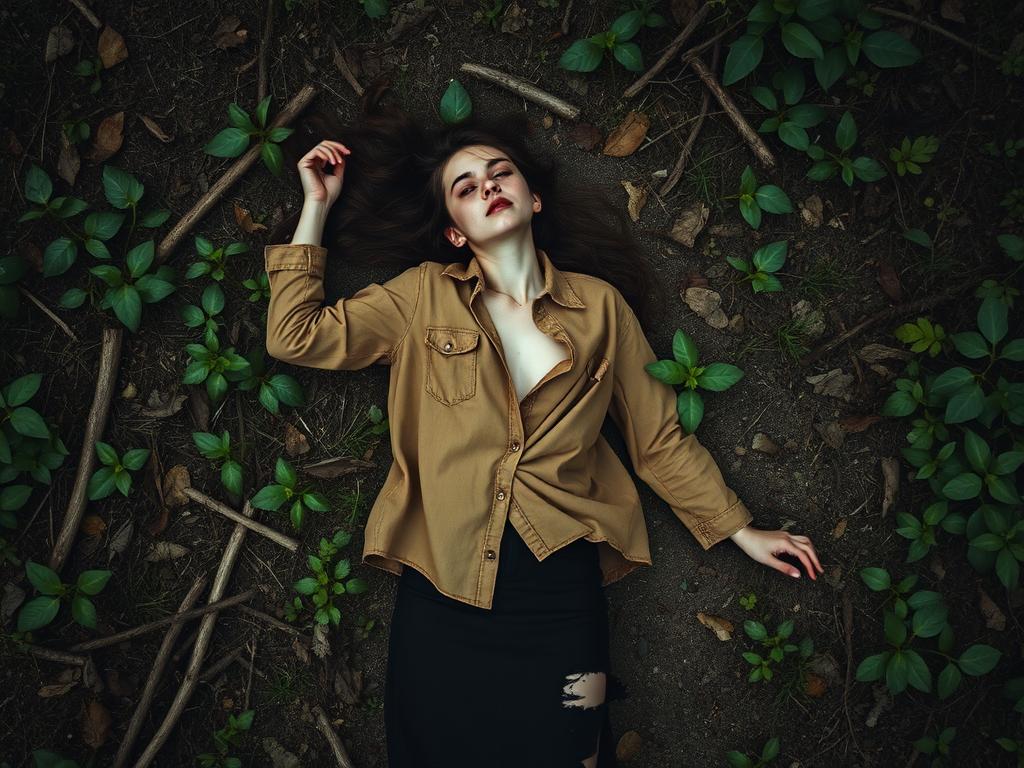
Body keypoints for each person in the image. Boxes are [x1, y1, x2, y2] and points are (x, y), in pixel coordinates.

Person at [263, 79, 823, 768]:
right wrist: (315, 207)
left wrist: (742, 530)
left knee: (577, 753)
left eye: (501, 173)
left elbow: (657, 440)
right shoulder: (421, 298)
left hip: (560, 591)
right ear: (453, 231)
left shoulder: (602, 309)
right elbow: (295, 335)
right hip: (443, 586)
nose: (488, 185)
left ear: (532, 198)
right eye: (465, 187)